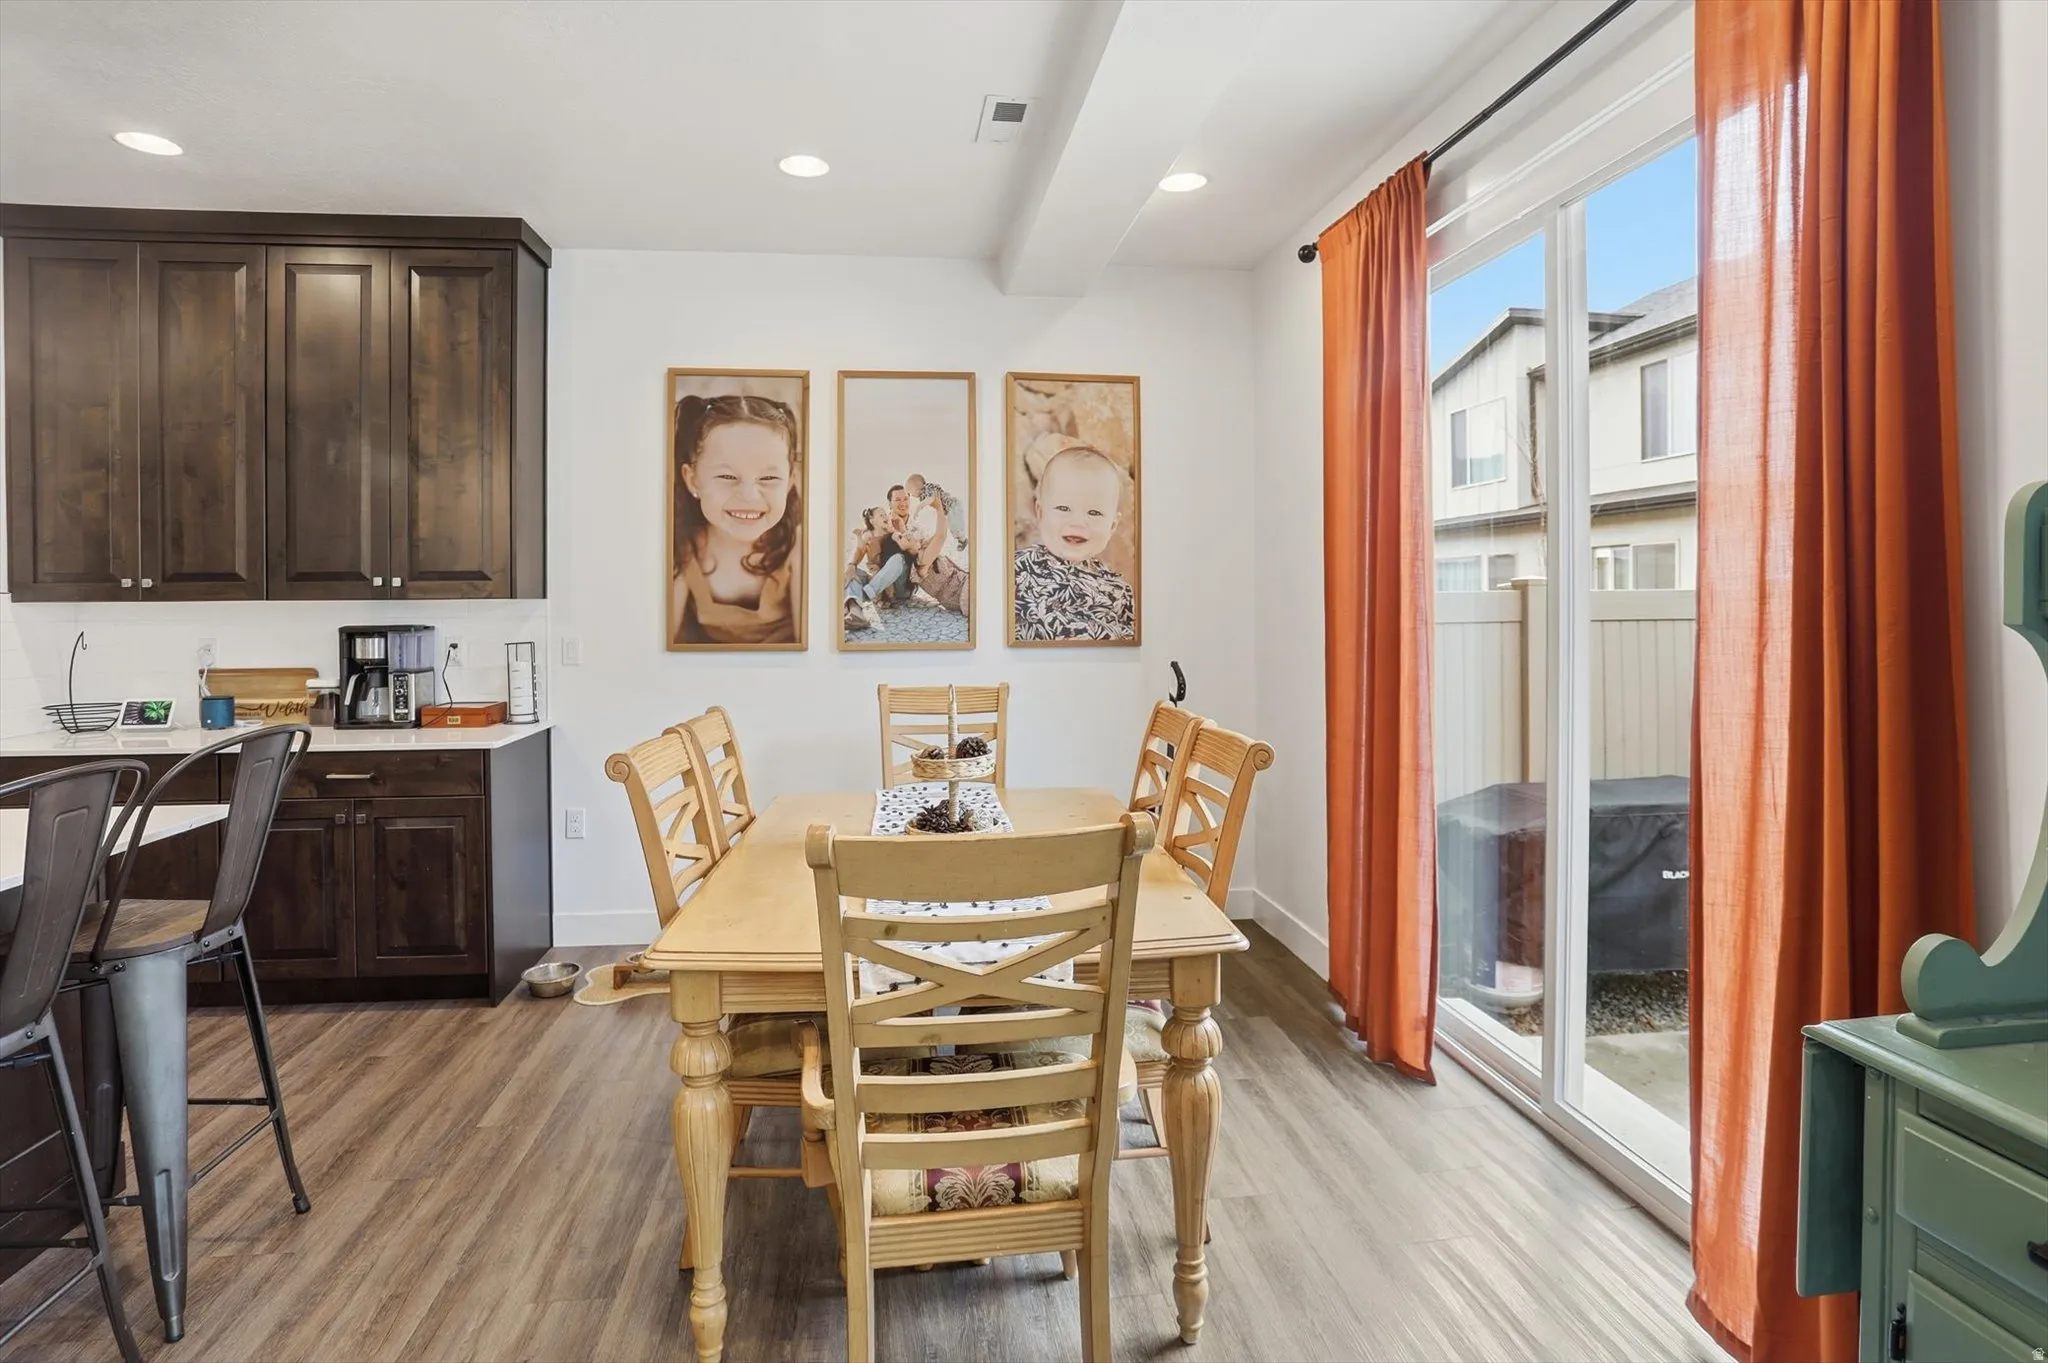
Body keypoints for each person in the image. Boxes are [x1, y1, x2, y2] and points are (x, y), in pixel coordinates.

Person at [669, 393, 803, 646]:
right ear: (692, 479)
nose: (749, 496)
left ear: (790, 480)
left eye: (769, 479)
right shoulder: (682, 545)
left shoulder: (799, 548)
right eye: (727, 477)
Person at [1012, 444, 1134, 642]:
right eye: (1063, 508)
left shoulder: (1119, 588)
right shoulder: (1017, 568)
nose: (1077, 522)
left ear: (1112, 525)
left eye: (1094, 513)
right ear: (1040, 513)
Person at [843, 487, 919, 632]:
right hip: (877, 579)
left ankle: (866, 594)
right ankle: (855, 612)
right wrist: (852, 565)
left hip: (900, 584)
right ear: (889, 503)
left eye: (906, 499)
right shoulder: (874, 531)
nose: (903, 503)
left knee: (898, 559)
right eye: (897, 500)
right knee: (852, 573)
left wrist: (896, 532)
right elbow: (859, 549)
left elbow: (914, 550)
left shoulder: (904, 526)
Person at [906, 473, 967, 550]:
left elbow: (931, 499)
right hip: (949, 510)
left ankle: (963, 539)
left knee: (955, 526)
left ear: (915, 488)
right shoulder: (923, 496)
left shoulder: (927, 488)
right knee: (952, 527)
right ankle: (961, 540)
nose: (911, 496)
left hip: (953, 506)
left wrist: (918, 508)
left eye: (910, 492)